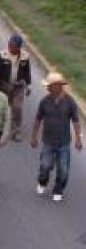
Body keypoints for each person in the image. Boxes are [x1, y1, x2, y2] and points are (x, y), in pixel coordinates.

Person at [31, 71, 82, 201]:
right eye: (47, 86)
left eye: (50, 86)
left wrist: (78, 139)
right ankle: (42, 182)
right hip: (48, 141)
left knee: (63, 169)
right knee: (45, 166)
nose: (48, 88)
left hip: (64, 142)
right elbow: (38, 119)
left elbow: (76, 121)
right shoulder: (44, 101)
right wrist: (33, 136)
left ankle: (58, 189)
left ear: (59, 86)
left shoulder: (70, 102)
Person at [0, 33, 31, 140]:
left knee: (17, 107)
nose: (11, 47)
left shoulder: (25, 57)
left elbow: (27, 72)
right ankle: (1, 128)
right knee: (4, 106)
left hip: (19, 86)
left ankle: (16, 130)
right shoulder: (2, 55)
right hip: (5, 85)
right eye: (10, 44)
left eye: (13, 46)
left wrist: (28, 86)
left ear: (18, 47)